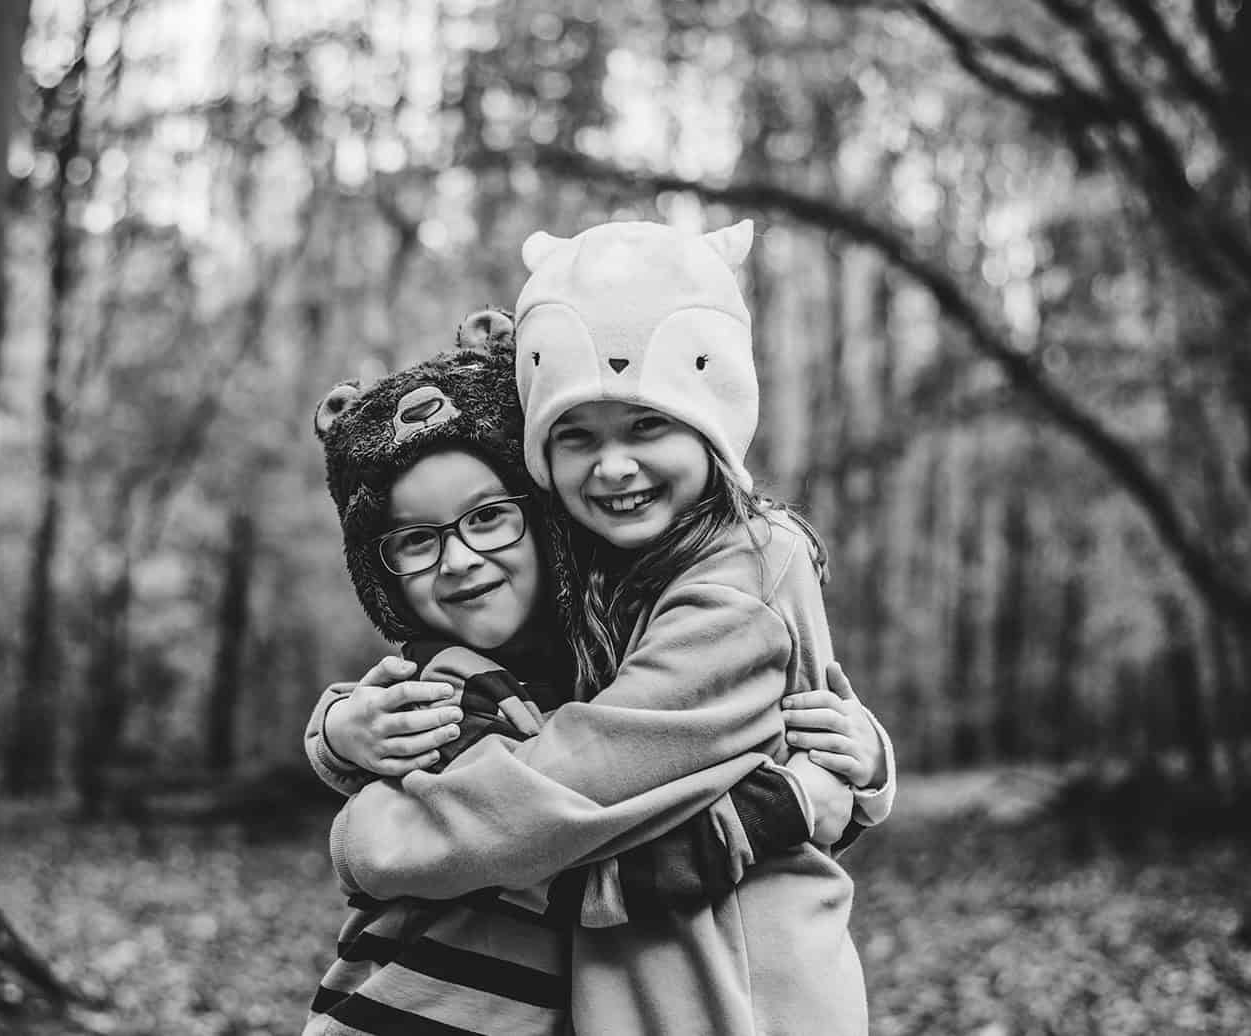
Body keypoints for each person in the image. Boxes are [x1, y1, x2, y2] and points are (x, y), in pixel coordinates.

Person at [327, 220, 894, 1035]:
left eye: (648, 425)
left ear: (712, 419)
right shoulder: (598, 564)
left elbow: (580, 779)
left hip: (737, 990)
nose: (614, 466)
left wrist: (375, 839)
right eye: (576, 435)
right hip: (635, 980)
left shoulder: (747, 571)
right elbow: (485, 691)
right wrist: (341, 731)